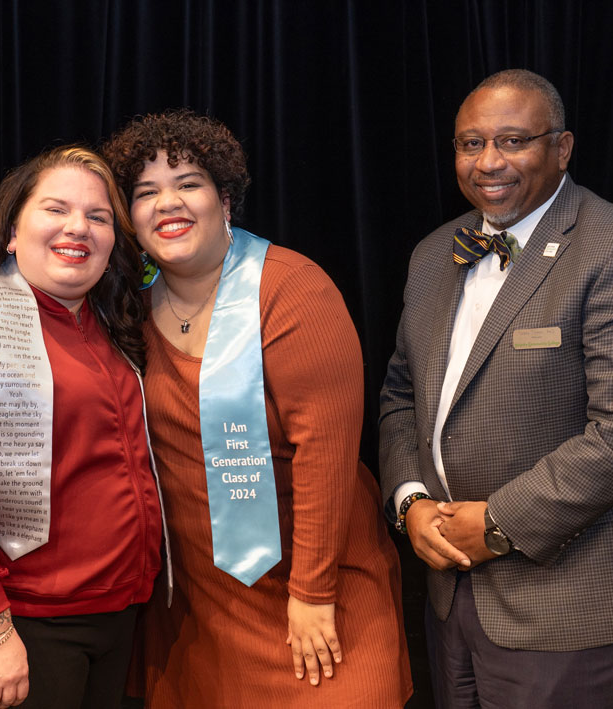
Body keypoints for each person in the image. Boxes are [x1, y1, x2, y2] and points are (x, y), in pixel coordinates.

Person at [379, 69, 613, 707]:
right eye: (470, 144)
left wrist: (496, 524)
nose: (488, 161)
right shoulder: (434, 252)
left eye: (513, 141)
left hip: (566, 596)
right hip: (448, 593)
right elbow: (400, 395)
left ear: (562, 148)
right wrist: (409, 502)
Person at [102, 109, 413, 708]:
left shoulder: (293, 289)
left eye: (188, 183)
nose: (168, 203)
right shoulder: (125, 306)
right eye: (146, 193)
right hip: (199, 603)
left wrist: (313, 592)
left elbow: (326, 454)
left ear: (225, 198)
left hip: (316, 585)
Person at [0, 145, 163, 709]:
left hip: (116, 613)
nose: (78, 227)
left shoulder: (109, 322)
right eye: (56, 209)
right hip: (27, 622)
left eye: (98, 216)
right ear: (12, 231)